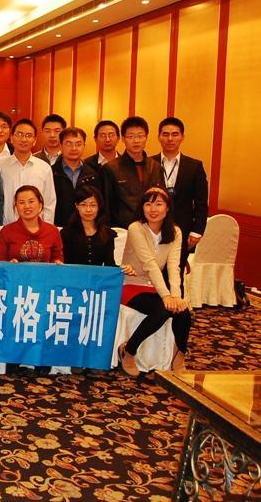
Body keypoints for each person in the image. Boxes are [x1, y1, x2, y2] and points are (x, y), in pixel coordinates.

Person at [118, 187, 189, 376]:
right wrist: (166, 296)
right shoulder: (136, 228)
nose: (153, 209)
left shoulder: (175, 232)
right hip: (131, 285)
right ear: (142, 208)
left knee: (183, 312)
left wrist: (176, 296)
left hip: (154, 287)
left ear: (167, 208)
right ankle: (129, 351)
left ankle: (179, 354)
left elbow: (174, 266)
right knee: (163, 309)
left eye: (158, 204)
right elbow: (149, 264)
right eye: (148, 204)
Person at [152, 117, 208, 270]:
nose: (170, 139)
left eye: (175, 134)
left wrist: (197, 231)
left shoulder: (195, 166)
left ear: (182, 137)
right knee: (152, 271)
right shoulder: (150, 163)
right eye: (165, 134)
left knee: (176, 271)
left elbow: (201, 202)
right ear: (158, 137)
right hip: (153, 228)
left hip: (183, 230)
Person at [100, 116, 164, 228]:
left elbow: (162, 200)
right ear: (123, 139)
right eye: (131, 136)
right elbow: (106, 207)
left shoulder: (156, 167)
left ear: (146, 137)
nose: (136, 141)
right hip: (122, 229)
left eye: (140, 136)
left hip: (152, 227)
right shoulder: (110, 168)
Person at [0, 119, 57, 224]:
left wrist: (46, 228)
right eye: (19, 134)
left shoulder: (44, 168)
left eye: (28, 135)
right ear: (11, 138)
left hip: (36, 228)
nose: (24, 139)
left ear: (34, 141)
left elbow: (49, 203)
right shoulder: (0, 166)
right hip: (7, 226)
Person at [62, 185, 134, 272]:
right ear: (76, 206)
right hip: (73, 277)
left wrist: (124, 268)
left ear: (99, 206)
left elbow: (109, 265)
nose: (88, 209)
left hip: (97, 278)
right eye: (83, 205)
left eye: (93, 205)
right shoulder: (66, 233)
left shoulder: (108, 234)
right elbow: (64, 264)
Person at [0, 185, 63, 263]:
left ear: (40, 204)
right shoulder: (6, 232)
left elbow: (58, 259)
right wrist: (9, 264)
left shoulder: (53, 231)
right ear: (16, 207)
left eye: (31, 201)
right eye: (21, 202)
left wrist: (57, 262)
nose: (27, 206)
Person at [52, 127, 99, 226]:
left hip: (86, 228)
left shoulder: (93, 174)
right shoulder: (51, 173)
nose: (74, 148)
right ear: (60, 146)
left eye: (78, 144)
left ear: (84, 146)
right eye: (69, 144)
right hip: (58, 227)